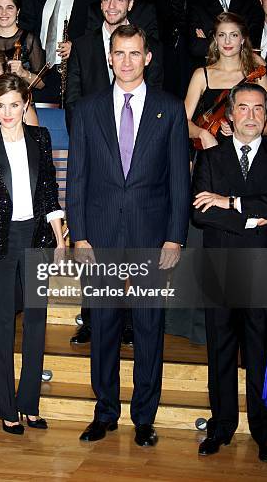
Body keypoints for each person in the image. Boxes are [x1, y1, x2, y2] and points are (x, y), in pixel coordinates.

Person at [66, 24, 190, 445]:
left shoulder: (170, 110)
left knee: (149, 326)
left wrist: (175, 237)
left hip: (151, 237)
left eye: (134, 53)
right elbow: (77, 178)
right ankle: (105, 413)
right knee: (102, 326)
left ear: (147, 57)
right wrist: (79, 236)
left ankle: (144, 417)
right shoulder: (86, 109)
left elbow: (178, 181)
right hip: (98, 237)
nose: (126, 61)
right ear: (110, 57)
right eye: (119, 53)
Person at [0, 73, 64, 433]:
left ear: (25, 105)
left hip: (37, 237)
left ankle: (29, 403)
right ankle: (7, 407)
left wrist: (60, 241)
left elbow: (50, 193)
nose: (7, 112)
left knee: (37, 322)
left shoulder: (41, 137)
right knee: (4, 324)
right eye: (1, 105)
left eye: (14, 105)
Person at [192, 82, 267, 462]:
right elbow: (198, 211)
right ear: (231, 114)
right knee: (220, 350)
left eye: (259, 109)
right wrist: (251, 219)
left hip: (262, 265)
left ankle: (265, 431)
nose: (251, 116)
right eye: (243, 108)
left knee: (260, 351)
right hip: (220, 265)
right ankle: (221, 426)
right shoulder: (211, 158)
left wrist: (231, 202)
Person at [185, 11, 267, 150]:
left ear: (243, 39)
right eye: (222, 35)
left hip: (247, 150)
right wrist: (202, 134)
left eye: (234, 35)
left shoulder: (256, 75)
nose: (227, 41)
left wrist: (243, 129)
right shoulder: (201, 75)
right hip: (210, 151)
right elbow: (183, 121)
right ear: (215, 39)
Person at [0, 0, 45, 92]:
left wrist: (23, 73)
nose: (3, 13)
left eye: (9, 8)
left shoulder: (29, 39)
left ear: (17, 11)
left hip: (19, 102)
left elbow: (41, 84)